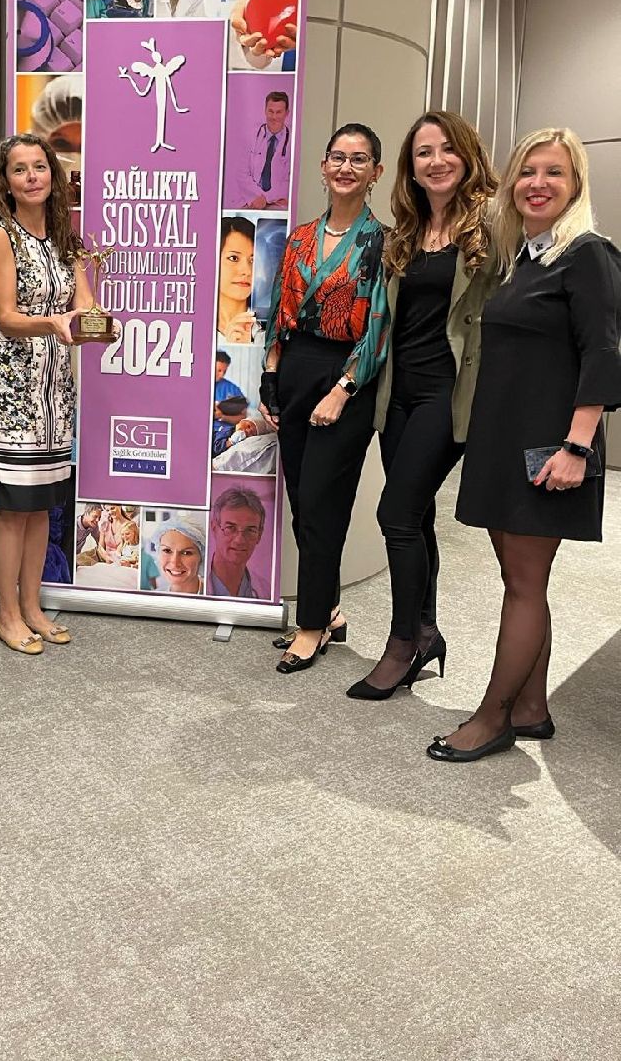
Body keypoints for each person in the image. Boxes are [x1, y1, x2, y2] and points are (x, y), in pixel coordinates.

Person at [429, 128, 621, 762]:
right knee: (522, 578)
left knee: (524, 585)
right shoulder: (523, 258)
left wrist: (577, 447)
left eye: (554, 173)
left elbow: (604, 353)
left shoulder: (588, 254)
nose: (538, 184)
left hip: (550, 449)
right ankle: (532, 708)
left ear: (576, 184)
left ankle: (492, 718)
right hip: (503, 442)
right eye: (528, 171)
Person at [349, 112, 498, 700]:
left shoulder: (490, 226)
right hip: (398, 393)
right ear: (410, 168)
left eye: (446, 149)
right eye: (422, 153)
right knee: (416, 515)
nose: (435, 161)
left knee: (395, 514)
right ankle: (428, 628)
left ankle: (402, 642)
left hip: (446, 392)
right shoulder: (405, 235)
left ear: (466, 155)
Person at [259, 123, 389, 674]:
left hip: (345, 377)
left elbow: (378, 328)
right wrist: (270, 376)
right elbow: (278, 311)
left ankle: (310, 626)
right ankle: (329, 611)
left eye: (359, 160)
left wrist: (343, 389)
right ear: (322, 165)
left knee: (321, 504)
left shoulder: (383, 243)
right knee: (302, 500)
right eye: (337, 157)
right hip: (295, 371)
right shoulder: (299, 238)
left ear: (376, 173)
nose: (346, 167)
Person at [0, 133, 95, 654]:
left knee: (42, 507)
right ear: (6, 181)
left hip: (56, 393)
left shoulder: (66, 239)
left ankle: (32, 607)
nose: (32, 177)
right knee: (13, 508)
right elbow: (4, 316)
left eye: (40, 167)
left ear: (54, 174)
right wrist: (55, 322)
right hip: (13, 391)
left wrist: (100, 325)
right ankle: (6, 614)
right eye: (20, 169)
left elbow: (84, 308)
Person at [226, 91, 292, 210]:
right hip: (251, 200)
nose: (274, 117)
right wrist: (256, 197)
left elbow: (289, 181)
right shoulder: (251, 137)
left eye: (279, 112)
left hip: (277, 204)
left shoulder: (293, 142)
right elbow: (242, 173)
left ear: (287, 113)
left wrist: (265, 199)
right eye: (270, 111)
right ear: (265, 111)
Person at [207, 487, 266, 599]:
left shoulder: (266, 590)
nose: (239, 540)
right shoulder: (189, 583)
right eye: (230, 528)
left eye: (250, 530)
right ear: (214, 528)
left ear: (259, 535)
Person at [217, 217, 261, 344]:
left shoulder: (269, 333)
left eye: (253, 260)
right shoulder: (193, 325)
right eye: (234, 258)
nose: (247, 271)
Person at [148, 516, 206, 594]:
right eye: (167, 550)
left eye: (186, 553)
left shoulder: (216, 596)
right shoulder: (153, 598)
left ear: (201, 557)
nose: (175, 563)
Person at [213, 350, 247, 456]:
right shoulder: (197, 385)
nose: (221, 375)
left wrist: (222, 416)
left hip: (226, 432)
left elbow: (243, 417)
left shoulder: (232, 389)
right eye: (219, 370)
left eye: (224, 371)